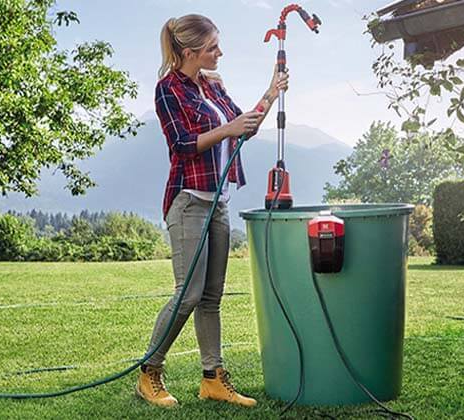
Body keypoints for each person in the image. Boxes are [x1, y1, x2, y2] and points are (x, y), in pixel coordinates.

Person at [135, 14, 288, 408]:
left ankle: (213, 379)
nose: (220, 52)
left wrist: (271, 91)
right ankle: (149, 373)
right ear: (190, 52)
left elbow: (245, 126)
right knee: (188, 294)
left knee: (211, 298)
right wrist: (226, 129)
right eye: (212, 47)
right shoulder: (168, 89)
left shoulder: (212, 85)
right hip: (188, 201)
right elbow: (183, 144)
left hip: (218, 202)